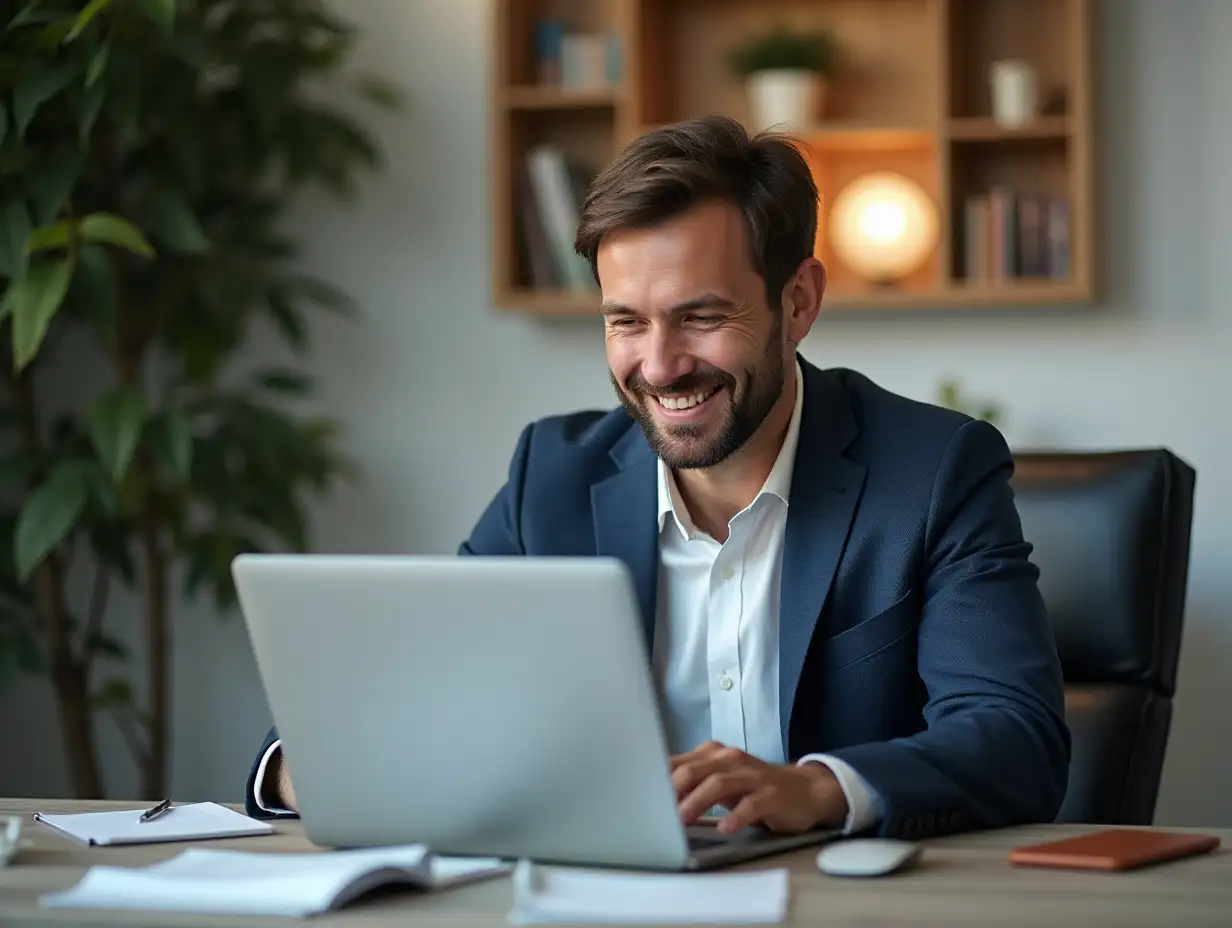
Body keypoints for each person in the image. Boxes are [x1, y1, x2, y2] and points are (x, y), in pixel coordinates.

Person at [244, 115, 1070, 841]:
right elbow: (424, 702)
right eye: (625, 322)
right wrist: (304, 768)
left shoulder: (932, 471)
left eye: (702, 317)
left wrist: (814, 788)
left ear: (799, 302)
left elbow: (1014, 736)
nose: (661, 365)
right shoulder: (552, 480)